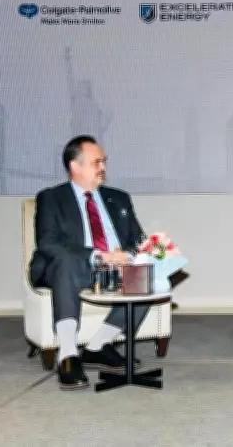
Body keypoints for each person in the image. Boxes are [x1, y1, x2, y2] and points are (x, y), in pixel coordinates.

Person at [29, 135, 149, 390]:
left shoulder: (119, 198)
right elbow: (48, 242)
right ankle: (68, 354)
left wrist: (126, 256)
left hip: (114, 268)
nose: (103, 167)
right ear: (75, 166)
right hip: (71, 267)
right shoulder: (52, 198)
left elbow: (139, 238)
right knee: (67, 262)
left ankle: (97, 346)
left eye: (104, 161)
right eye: (97, 162)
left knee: (148, 272)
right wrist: (98, 256)